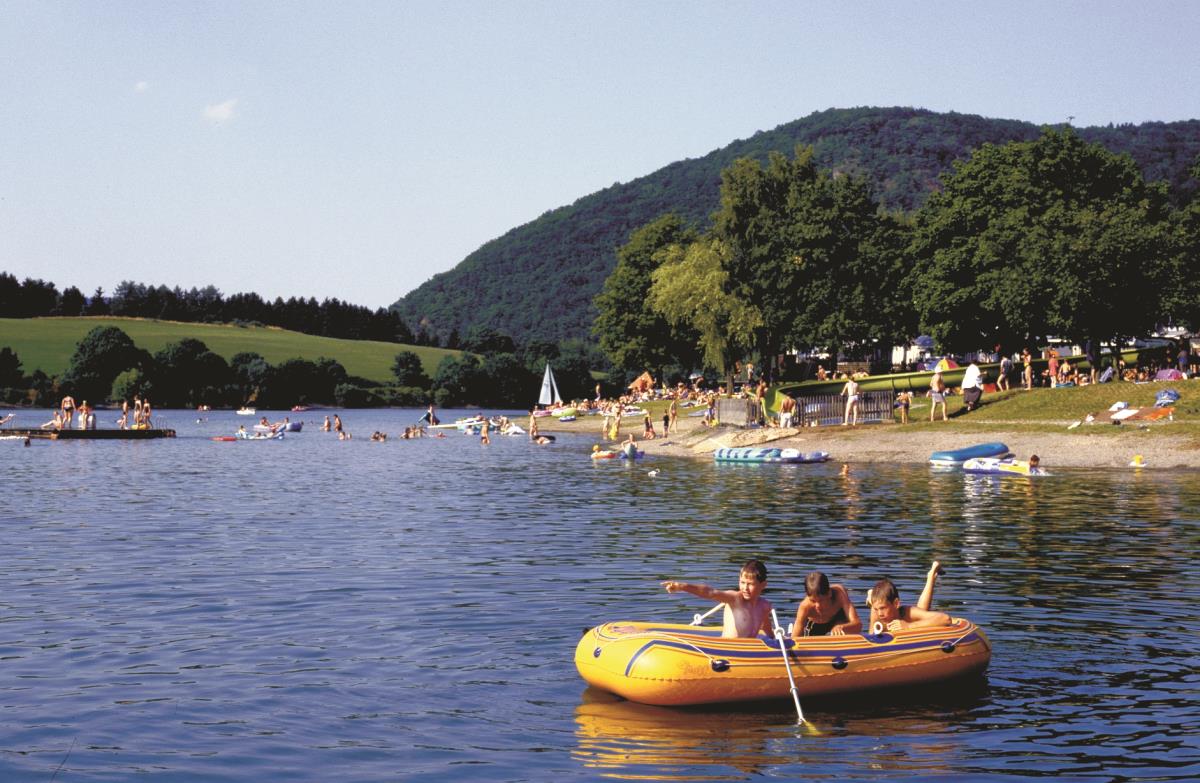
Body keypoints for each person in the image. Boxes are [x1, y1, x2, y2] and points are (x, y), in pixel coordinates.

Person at [662, 559, 773, 639]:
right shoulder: (735, 599)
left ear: (763, 585)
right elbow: (710, 593)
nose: (745, 588)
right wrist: (682, 586)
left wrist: (775, 641)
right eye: (742, 582)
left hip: (749, 651)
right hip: (727, 649)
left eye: (750, 584)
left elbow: (766, 627)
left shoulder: (764, 606)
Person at [867, 561, 951, 633]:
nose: (880, 614)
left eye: (883, 608)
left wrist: (908, 626)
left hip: (905, 615)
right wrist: (875, 608)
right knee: (921, 612)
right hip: (876, 603)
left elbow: (945, 619)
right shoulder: (878, 615)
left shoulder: (907, 613)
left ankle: (931, 576)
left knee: (921, 613)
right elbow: (871, 637)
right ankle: (871, 596)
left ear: (896, 603)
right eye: (876, 609)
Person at [791, 571, 862, 638]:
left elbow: (858, 625)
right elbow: (795, 638)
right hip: (815, 626)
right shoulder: (805, 606)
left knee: (841, 625)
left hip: (838, 622)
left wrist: (842, 627)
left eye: (821, 600)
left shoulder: (840, 595)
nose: (818, 606)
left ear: (829, 594)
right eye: (813, 601)